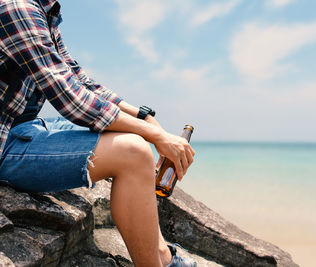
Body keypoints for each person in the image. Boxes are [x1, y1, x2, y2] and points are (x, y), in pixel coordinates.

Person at [0, 0, 197, 266]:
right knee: (134, 152)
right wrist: (156, 137)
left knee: (135, 137)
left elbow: (79, 79)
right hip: (5, 143)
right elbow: (71, 99)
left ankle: (162, 255)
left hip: (23, 125)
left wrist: (147, 119)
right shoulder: (17, 7)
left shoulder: (46, 10)